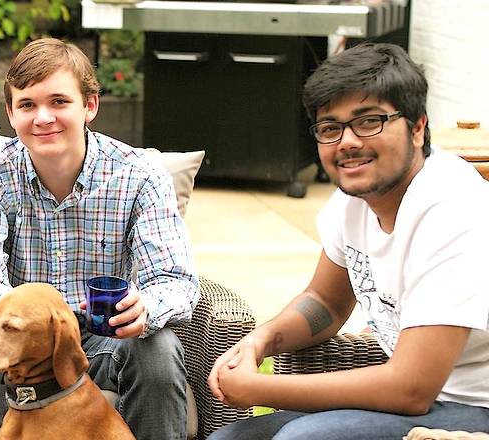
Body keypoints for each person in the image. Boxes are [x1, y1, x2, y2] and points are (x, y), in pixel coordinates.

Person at [207, 43, 489, 439]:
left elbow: (411, 389)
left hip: (474, 406)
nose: (348, 142)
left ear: (418, 126)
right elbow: (326, 302)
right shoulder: (353, 201)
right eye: (330, 128)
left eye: (369, 121)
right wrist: (260, 340)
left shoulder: (453, 211)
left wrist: (259, 388)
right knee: (228, 438)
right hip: (416, 402)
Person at [0, 38, 199, 440]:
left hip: (106, 339)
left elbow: (174, 280)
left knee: (158, 350)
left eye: (59, 102)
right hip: (27, 339)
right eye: (28, 105)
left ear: (90, 106)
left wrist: (146, 308)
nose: (43, 117)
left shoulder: (139, 175)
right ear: (10, 114)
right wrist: (9, 328)